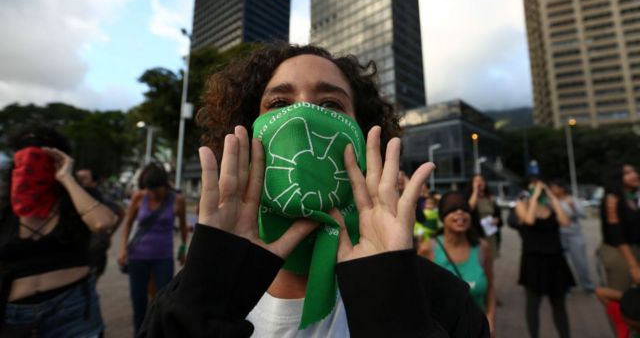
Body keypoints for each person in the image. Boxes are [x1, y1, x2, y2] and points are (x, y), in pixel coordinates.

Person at [139, 44, 489, 337]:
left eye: (331, 105)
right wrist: (206, 298)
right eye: (278, 104)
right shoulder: (195, 292)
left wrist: (388, 299)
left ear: (365, 134)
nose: (302, 115)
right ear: (246, 133)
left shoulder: (439, 301)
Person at [0, 125, 118, 336]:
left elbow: (103, 223)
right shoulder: (4, 205)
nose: (29, 164)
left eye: (39, 154)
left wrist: (66, 178)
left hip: (73, 309)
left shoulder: (75, 199)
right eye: (23, 154)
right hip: (14, 317)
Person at [118, 163, 188, 335]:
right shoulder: (139, 197)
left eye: (156, 190)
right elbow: (127, 224)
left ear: (165, 185)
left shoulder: (177, 200)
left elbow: (184, 227)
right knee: (138, 300)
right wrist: (122, 248)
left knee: (163, 300)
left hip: (163, 257)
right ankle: (138, 333)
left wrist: (182, 248)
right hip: (137, 257)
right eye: (149, 190)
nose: (152, 194)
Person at [425, 191, 496, 335]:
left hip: (477, 330)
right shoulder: (428, 248)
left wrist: (490, 320)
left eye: (465, 209)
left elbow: (490, 287)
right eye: (452, 209)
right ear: (442, 217)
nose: (460, 213)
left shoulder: (482, 248)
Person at [515, 178, 574, 338]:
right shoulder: (522, 205)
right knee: (533, 304)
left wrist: (551, 197)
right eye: (533, 189)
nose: (539, 191)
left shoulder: (551, 207)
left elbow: (565, 221)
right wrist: (533, 197)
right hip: (533, 262)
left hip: (555, 261)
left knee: (559, 305)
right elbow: (529, 220)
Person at [597, 163, 640, 293]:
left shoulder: (632, 198)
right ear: (616, 178)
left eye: (634, 171)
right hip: (619, 253)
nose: (635, 175)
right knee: (622, 296)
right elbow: (616, 234)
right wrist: (633, 266)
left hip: (633, 249)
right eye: (627, 173)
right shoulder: (612, 199)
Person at [76, 167, 126, 280]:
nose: (80, 181)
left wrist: (110, 233)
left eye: (84, 178)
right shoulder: (68, 199)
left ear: (94, 182)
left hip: (95, 248)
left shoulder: (103, 199)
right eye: (78, 178)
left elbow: (120, 213)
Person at [548, 180, 595, 292]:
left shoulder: (572, 200)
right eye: (550, 188)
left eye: (554, 187)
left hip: (574, 234)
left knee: (580, 261)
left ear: (561, 188)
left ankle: (587, 285)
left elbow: (583, 215)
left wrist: (573, 208)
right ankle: (566, 287)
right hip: (558, 234)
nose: (552, 190)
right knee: (561, 262)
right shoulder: (550, 201)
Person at [467, 175, 502, 259]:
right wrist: (475, 190)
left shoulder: (490, 198)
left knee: (489, 259)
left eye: (481, 180)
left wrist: (497, 220)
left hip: (490, 233)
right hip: (476, 234)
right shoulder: (469, 197)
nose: (479, 182)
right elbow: (469, 208)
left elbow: (498, 215)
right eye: (476, 181)